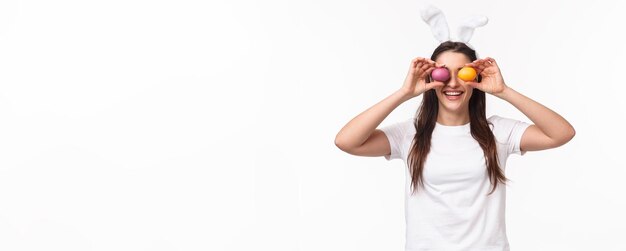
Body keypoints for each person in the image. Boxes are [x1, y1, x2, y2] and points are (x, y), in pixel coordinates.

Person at [334, 41, 575, 251]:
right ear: (431, 79)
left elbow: (561, 133)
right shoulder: (410, 134)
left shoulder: (498, 132)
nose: (452, 83)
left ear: (475, 79)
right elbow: (346, 141)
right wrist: (404, 93)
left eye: (463, 73)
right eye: (442, 73)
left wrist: (504, 91)